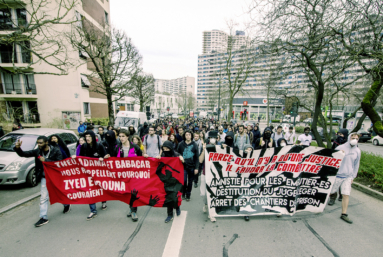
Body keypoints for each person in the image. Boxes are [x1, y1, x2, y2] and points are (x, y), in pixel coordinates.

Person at [14, 136, 63, 227]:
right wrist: (18, 148)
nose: (39, 144)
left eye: (40, 143)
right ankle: (43, 217)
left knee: (59, 192)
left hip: (55, 177)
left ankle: (66, 204)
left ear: (46, 142)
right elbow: (24, 154)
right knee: (44, 197)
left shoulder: (55, 150)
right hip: (44, 177)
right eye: (38, 143)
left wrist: (46, 160)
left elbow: (59, 163)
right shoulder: (37, 151)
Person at [106, 129, 142, 221]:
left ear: (127, 137)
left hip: (134, 174)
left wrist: (145, 157)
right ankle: (131, 208)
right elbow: (113, 160)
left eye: (123, 136)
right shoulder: (117, 148)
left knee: (134, 192)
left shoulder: (135, 147)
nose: (121, 138)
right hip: (123, 175)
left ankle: (134, 211)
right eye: (120, 136)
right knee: (128, 193)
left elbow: (141, 159)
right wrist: (107, 157)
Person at [328, 133, 361, 224]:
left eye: (356, 138)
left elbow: (356, 164)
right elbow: (332, 161)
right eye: (353, 137)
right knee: (330, 191)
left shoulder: (357, 151)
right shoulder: (340, 148)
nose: (354, 139)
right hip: (337, 175)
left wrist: (353, 176)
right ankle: (317, 205)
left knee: (346, 194)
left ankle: (344, 214)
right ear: (349, 138)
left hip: (347, 176)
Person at [78, 130, 107, 220]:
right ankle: (93, 211)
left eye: (89, 136)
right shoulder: (84, 146)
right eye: (86, 137)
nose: (87, 138)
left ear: (93, 137)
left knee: (100, 187)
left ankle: (103, 201)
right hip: (88, 172)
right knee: (90, 190)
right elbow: (80, 157)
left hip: (98, 172)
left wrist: (103, 158)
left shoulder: (99, 145)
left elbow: (106, 156)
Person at [158, 141, 185, 223]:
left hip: (176, 179)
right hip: (167, 180)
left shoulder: (176, 155)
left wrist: (182, 159)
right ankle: (170, 215)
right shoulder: (162, 155)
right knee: (169, 198)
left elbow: (183, 165)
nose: (166, 150)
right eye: (164, 149)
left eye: (167, 148)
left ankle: (177, 207)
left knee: (175, 196)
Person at [199, 130, 218, 222]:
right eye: (211, 138)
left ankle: (211, 214)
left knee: (212, 194)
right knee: (203, 193)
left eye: (214, 137)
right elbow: (200, 160)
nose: (213, 139)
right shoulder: (205, 146)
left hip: (215, 175)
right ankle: (205, 204)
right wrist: (203, 150)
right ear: (209, 138)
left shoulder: (219, 147)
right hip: (205, 173)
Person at [177, 130, 199, 201]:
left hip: (192, 166)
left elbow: (196, 158)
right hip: (183, 166)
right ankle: (183, 193)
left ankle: (188, 194)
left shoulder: (195, 145)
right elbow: (176, 153)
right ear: (184, 136)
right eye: (186, 135)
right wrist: (180, 156)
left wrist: (196, 168)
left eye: (189, 135)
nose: (188, 136)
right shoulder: (181, 144)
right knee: (184, 181)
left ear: (191, 136)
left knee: (190, 182)